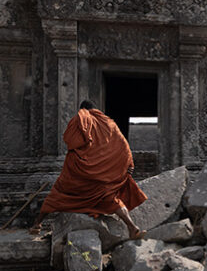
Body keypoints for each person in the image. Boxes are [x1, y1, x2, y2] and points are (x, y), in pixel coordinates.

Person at [29, 100, 148, 238]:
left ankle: (37, 224)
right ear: (95, 109)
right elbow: (123, 146)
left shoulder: (79, 119)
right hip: (101, 175)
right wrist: (129, 165)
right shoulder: (109, 123)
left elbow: (70, 141)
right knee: (110, 198)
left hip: (78, 173)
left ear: (82, 109)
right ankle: (132, 228)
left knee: (57, 196)